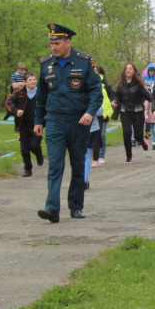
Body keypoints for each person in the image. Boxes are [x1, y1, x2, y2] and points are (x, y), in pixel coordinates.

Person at [34, 23, 102, 223]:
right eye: (51, 43)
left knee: (78, 164)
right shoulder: (46, 64)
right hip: (54, 119)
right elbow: (41, 96)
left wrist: (90, 113)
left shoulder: (84, 62)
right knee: (55, 164)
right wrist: (38, 120)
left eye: (57, 43)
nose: (53, 47)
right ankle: (52, 208)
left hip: (78, 120)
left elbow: (96, 91)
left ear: (68, 42)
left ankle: (76, 205)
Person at [111, 62, 152, 164]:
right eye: (126, 69)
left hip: (138, 112)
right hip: (125, 112)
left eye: (130, 69)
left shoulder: (138, 85)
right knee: (127, 133)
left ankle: (142, 141)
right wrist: (115, 101)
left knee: (138, 136)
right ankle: (129, 157)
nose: (128, 70)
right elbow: (117, 97)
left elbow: (148, 96)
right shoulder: (121, 85)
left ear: (134, 72)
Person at [7, 71, 44, 177]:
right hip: (23, 124)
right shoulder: (20, 93)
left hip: (37, 124)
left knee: (34, 145)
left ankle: (38, 154)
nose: (33, 81)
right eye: (30, 80)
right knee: (24, 149)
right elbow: (9, 102)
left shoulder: (41, 93)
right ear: (25, 82)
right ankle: (28, 169)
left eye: (34, 79)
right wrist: (16, 111)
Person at [94, 65, 114, 165]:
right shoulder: (91, 83)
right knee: (94, 135)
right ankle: (94, 156)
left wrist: (114, 101)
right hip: (94, 113)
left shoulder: (105, 84)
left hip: (104, 113)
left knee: (101, 135)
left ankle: (101, 155)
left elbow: (112, 94)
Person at [142, 64, 155, 148]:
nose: (151, 72)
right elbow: (142, 87)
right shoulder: (144, 78)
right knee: (153, 128)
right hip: (147, 97)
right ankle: (153, 139)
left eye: (152, 71)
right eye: (150, 71)